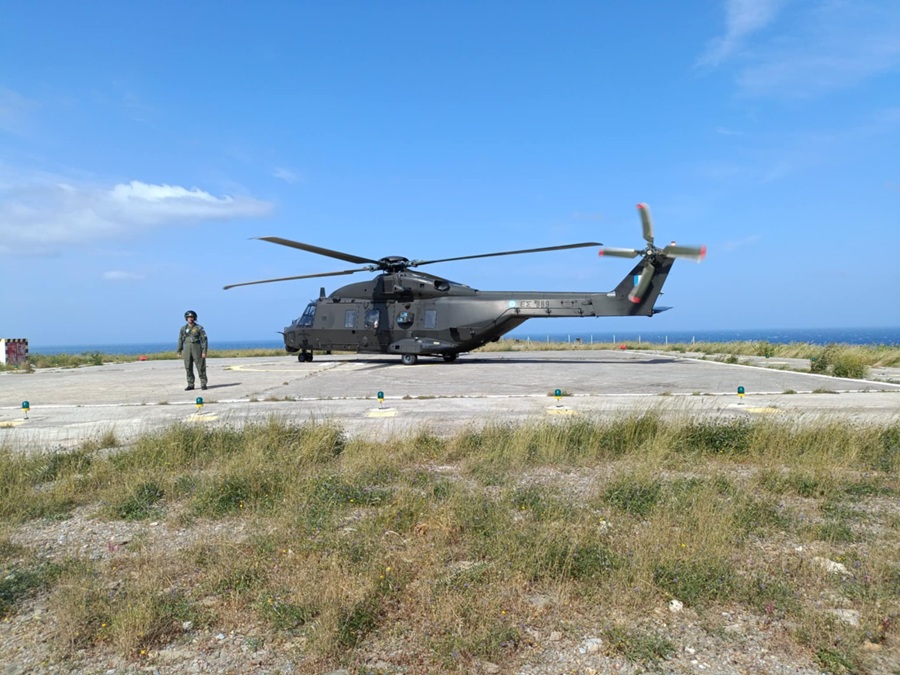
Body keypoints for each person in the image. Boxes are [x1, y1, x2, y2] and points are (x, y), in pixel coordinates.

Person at [176, 310, 208, 390]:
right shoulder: (183, 328)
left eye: (192, 317)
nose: (190, 319)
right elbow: (180, 339)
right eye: (188, 317)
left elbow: (204, 340)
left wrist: (204, 351)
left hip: (196, 347)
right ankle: (190, 384)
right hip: (187, 347)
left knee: (200, 366)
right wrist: (179, 350)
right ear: (186, 318)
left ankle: (203, 383)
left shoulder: (199, 328)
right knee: (188, 367)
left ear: (195, 318)